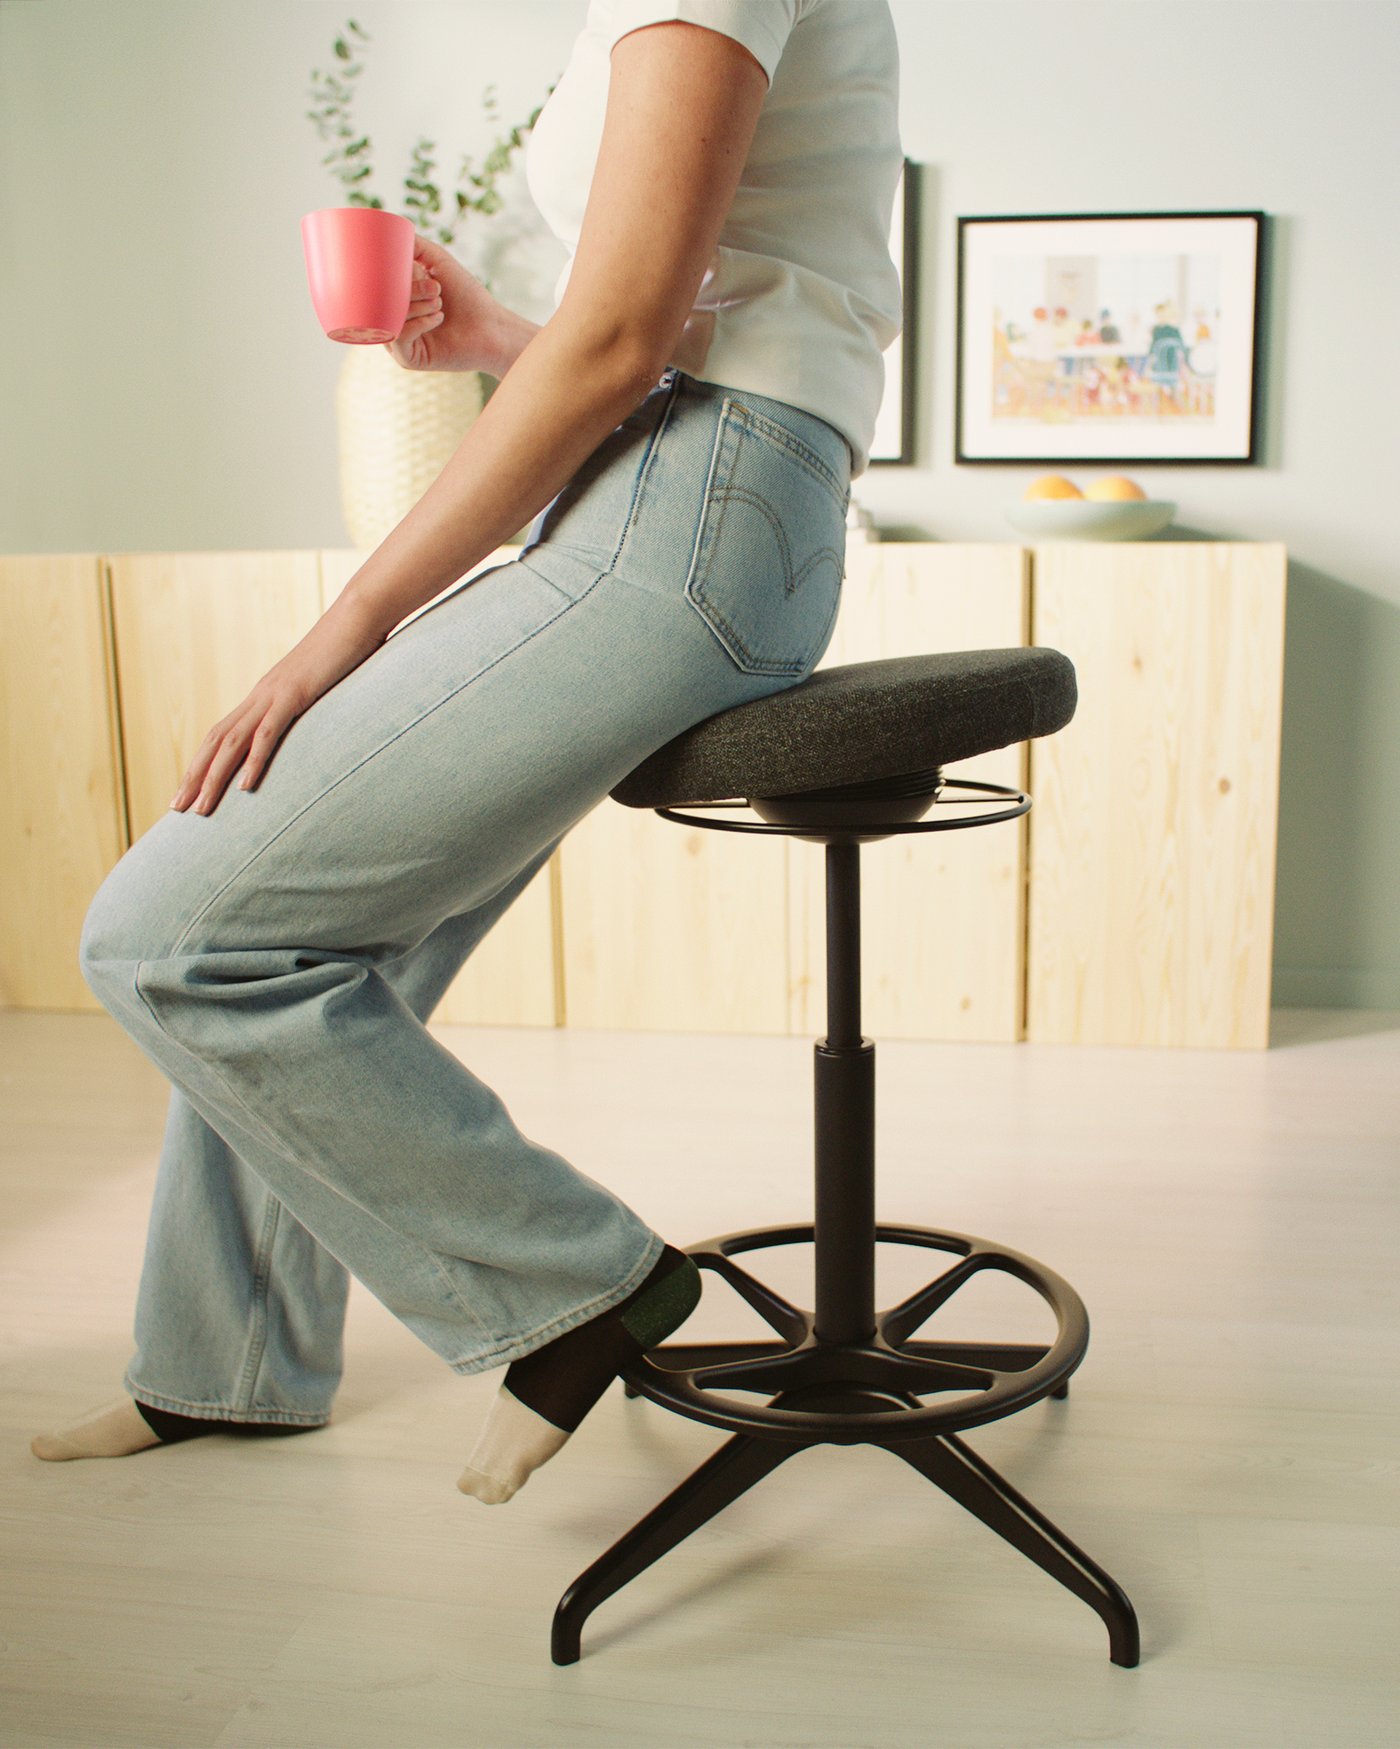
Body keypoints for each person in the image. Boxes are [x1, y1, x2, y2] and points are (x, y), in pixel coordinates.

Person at [31, 0, 904, 1504]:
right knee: (302, 931)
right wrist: (502, 336)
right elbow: (698, 316)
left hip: (693, 505)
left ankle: (580, 1285)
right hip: (695, 496)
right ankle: (228, 1362)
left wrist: (343, 627)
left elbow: (626, 341)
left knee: (173, 934)